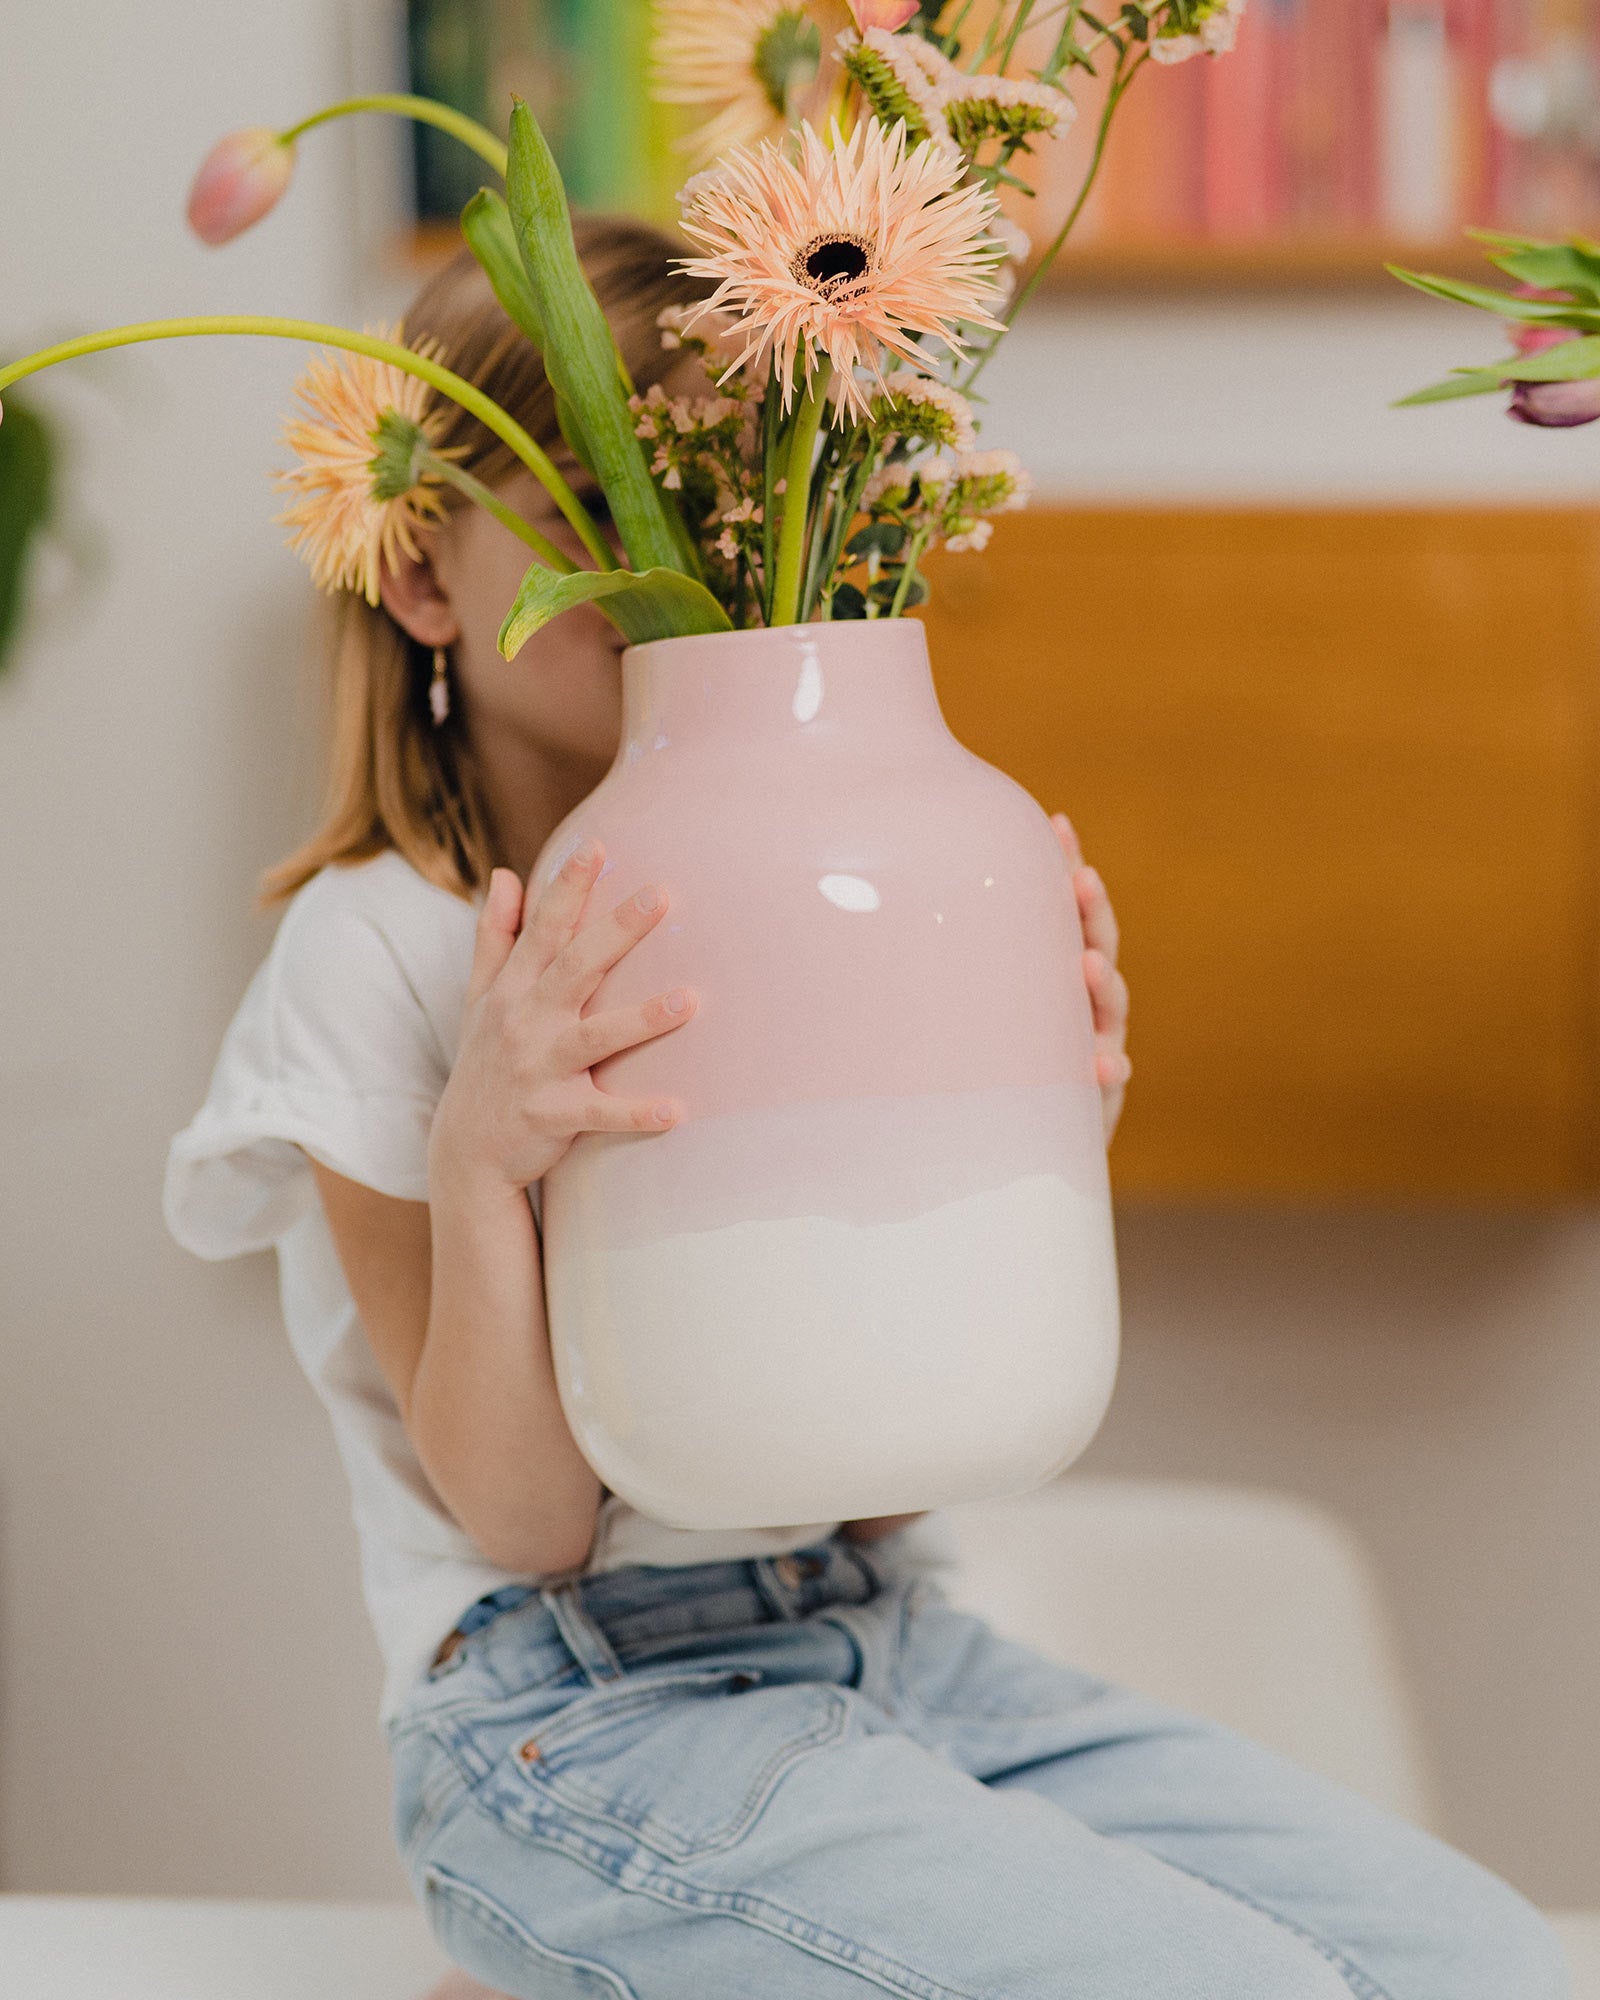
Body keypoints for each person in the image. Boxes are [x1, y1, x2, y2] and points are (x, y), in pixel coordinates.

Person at [163, 216, 1567, 2000]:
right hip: (564, 1709)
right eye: (599, 509)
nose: (681, 567)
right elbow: (521, 1519)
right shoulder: (380, 946)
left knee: (1484, 1970)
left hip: (884, 1641)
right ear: (425, 581)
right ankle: (581, 1920)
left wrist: (1034, 1146)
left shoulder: (811, 896)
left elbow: (881, 1492)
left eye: (717, 509)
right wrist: (485, 1150)